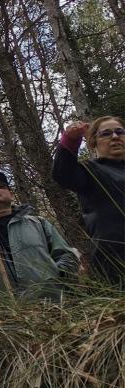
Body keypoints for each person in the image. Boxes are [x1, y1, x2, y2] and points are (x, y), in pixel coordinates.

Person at [0, 171, 80, 301]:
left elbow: (67, 256)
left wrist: (56, 279)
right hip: (6, 315)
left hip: (50, 306)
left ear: (11, 194)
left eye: (0, 185)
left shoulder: (39, 223)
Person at [53, 116, 125, 288]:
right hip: (114, 261)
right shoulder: (89, 171)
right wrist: (69, 140)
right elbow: (63, 175)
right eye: (105, 134)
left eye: (119, 131)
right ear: (93, 143)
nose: (115, 137)